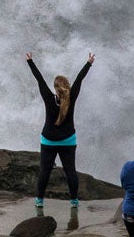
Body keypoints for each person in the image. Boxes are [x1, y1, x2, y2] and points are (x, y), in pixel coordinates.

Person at [25, 51, 93, 208]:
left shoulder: (48, 98)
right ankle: (74, 202)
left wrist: (30, 61)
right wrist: (89, 63)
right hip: (68, 140)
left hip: (48, 140)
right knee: (70, 172)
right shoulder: (72, 96)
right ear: (68, 87)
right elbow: (80, 79)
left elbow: (39, 79)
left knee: (44, 172)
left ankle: (39, 201)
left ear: (55, 89)